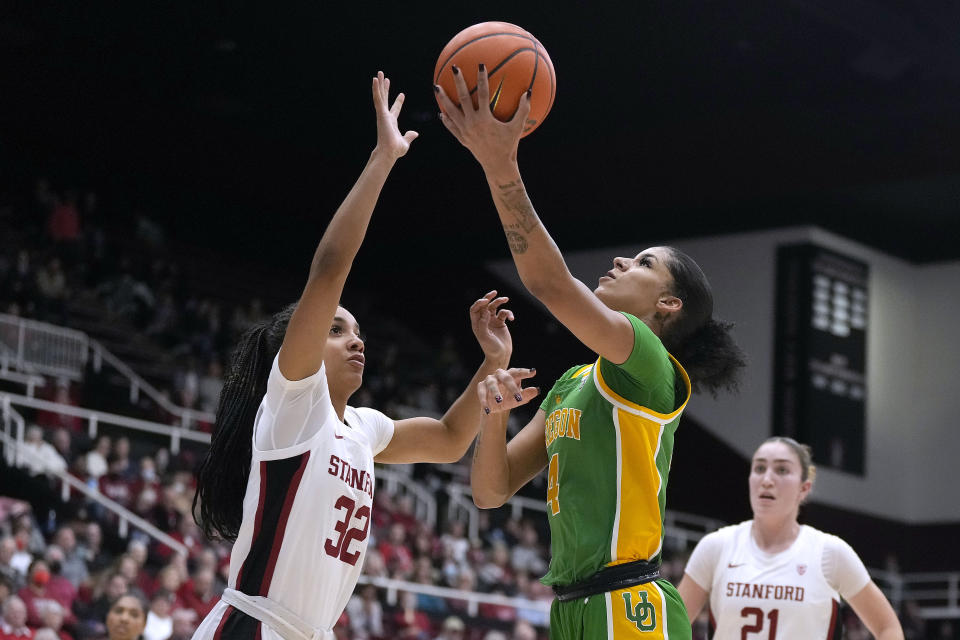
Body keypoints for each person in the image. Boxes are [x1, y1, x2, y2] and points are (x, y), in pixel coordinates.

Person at [191, 72, 516, 640]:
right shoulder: (295, 403)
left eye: (358, 330)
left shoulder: (362, 428)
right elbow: (330, 268)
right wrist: (383, 159)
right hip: (253, 626)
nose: (356, 340)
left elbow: (446, 439)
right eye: (337, 329)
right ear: (300, 346)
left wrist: (491, 362)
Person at [437, 68, 746, 640]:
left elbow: (552, 285)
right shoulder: (576, 380)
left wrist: (500, 165)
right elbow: (490, 491)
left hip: (630, 605)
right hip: (571, 609)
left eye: (644, 264)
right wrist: (495, 407)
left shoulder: (650, 363)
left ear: (668, 304)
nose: (624, 262)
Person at [677, 437, 904, 639]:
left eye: (782, 470)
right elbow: (669, 628)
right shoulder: (716, 547)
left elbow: (888, 627)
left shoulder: (830, 552)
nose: (767, 479)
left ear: (804, 488)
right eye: (759, 468)